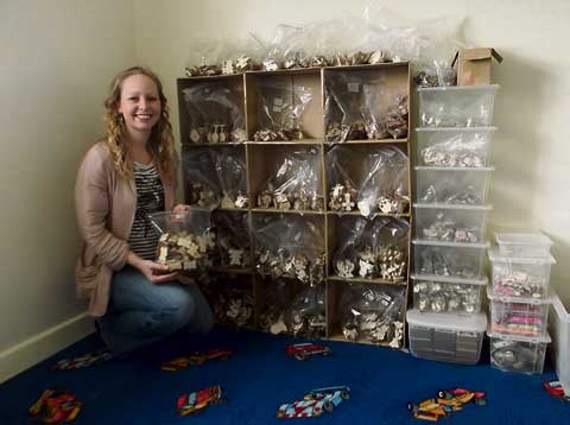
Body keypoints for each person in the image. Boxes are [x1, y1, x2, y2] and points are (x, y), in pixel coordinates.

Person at [74, 66, 213, 354]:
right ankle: (113, 331)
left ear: (161, 104)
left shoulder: (163, 155)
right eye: (133, 98)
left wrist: (178, 214)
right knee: (180, 307)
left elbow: (161, 212)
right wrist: (138, 263)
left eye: (151, 98)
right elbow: (92, 230)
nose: (144, 106)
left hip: (157, 261)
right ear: (118, 106)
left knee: (203, 324)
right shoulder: (100, 158)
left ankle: (149, 327)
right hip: (117, 270)